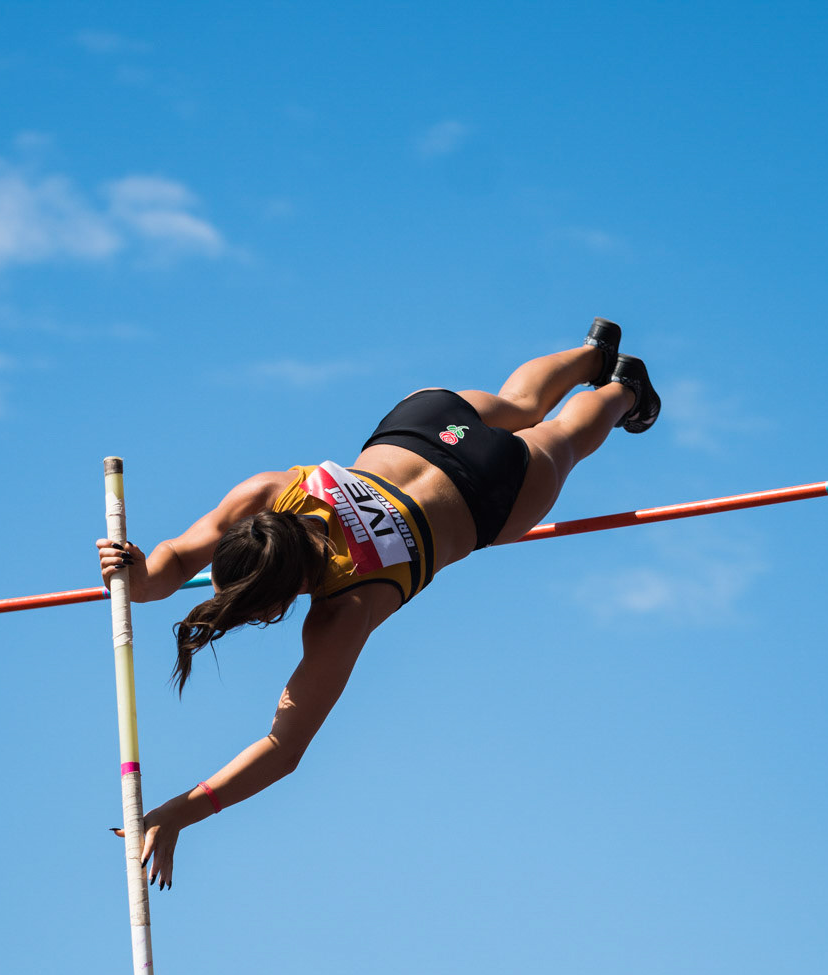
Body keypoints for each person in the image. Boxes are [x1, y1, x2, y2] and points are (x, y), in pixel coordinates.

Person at [97, 320, 660, 890]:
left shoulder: (343, 610)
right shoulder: (268, 494)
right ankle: (593, 354)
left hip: (489, 490)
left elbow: (282, 746)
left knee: (563, 433)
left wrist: (181, 812)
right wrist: (135, 577)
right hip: (423, 424)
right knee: (519, 401)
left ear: (283, 600)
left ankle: (626, 391)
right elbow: (172, 557)